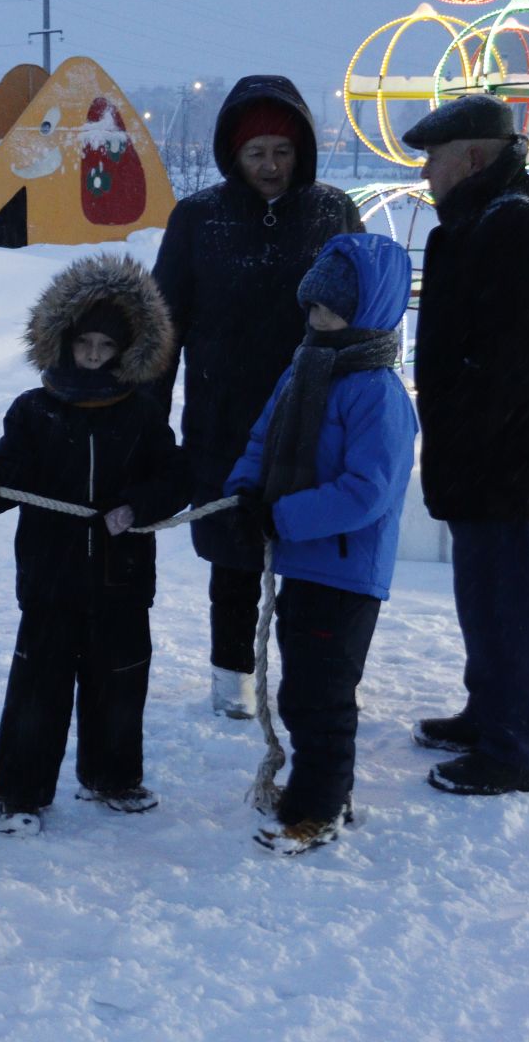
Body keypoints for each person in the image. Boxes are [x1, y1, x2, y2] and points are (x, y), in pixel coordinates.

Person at [150, 76, 363, 718]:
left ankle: (308, 674)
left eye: (282, 152)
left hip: (314, 414)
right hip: (224, 414)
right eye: (256, 154)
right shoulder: (198, 219)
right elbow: (164, 325)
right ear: (232, 156)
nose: (271, 167)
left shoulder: (332, 212)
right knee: (234, 550)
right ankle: (232, 675)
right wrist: (150, 423)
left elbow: (368, 310)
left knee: (311, 550)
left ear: (301, 151)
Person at [0, 252, 188, 837]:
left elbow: (175, 478)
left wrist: (138, 506)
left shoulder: (141, 412)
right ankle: (20, 792)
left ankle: (112, 777)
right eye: (83, 342)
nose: (91, 355)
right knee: (38, 688)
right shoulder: (34, 411)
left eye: (104, 347)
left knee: (119, 684)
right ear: (62, 342)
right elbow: (8, 475)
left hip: (123, 578)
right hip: (50, 580)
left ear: (126, 350)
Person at [404, 94, 529, 797]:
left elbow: (513, 359)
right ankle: (490, 715)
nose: (426, 176)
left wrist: (468, 432)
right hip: (499, 453)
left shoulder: (513, 224)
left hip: (509, 459)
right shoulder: (499, 213)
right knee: (484, 594)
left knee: (505, 600)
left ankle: (516, 747)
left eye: (435, 160)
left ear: (473, 156)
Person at [223, 233, 418, 854]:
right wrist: (245, 493)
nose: (318, 319)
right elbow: (264, 440)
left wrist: (286, 517)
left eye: (333, 308)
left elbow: (368, 491)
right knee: (302, 688)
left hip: (345, 570)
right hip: (304, 563)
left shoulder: (378, 394)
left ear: (370, 309)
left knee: (319, 698)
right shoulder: (304, 367)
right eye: (313, 307)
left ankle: (316, 809)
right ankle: (330, 789)